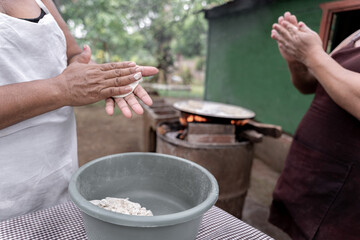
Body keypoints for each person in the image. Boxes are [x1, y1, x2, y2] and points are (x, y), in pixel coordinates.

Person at [0, 0, 158, 221]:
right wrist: (63, 88)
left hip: (56, 175)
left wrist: (101, 78)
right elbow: (65, 84)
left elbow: (73, 54)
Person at [269, 11, 360, 240]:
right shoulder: (356, 35)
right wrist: (296, 59)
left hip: (346, 192)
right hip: (312, 172)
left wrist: (311, 54)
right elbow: (312, 84)